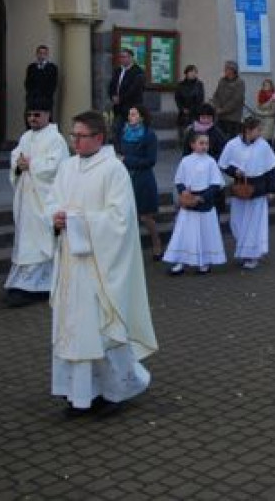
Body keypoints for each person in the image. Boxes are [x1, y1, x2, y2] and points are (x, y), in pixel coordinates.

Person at [50, 111, 157, 413]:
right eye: (73, 135)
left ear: (98, 137)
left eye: (81, 136)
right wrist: (55, 219)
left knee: (100, 329)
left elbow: (120, 220)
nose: (75, 141)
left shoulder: (113, 170)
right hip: (71, 262)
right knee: (74, 329)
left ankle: (117, 391)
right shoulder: (67, 167)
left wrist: (77, 221)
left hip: (99, 266)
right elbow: (52, 201)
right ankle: (80, 393)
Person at [6, 95, 69, 307]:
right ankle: (22, 284)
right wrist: (18, 165)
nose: (32, 118)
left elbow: (56, 166)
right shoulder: (25, 137)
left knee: (40, 240)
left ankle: (37, 287)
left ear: (47, 115)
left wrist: (30, 164)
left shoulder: (56, 139)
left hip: (44, 199)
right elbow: (16, 157)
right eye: (29, 115)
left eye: (37, 115)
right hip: (27, 199)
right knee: (26, 240)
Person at [220, 116, 275, 269]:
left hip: (258, 188)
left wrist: (272, 189)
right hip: (240, 188)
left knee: (254, 224)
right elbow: (224, 164)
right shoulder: (232, 144)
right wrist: (235, 171)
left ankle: (252, 255)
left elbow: (270, 169)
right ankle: (245, 250)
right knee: (237, 222)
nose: (260, 133)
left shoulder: (263, 145)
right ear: (248, 130)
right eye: (258, 130)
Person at [164, 132, 226, 275]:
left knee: (204, 234)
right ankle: (180, 261)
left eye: (206, 143)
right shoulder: (185, 161)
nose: (204, 146)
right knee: (183, 234)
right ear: (193, 145)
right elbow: (179, 180)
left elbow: (216, 184)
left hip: (205, 203)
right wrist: (184, 192)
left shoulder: (211, 162)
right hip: (188, 202)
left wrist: (202, 197)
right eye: (201, 143)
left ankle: (203, 263)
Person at [121, 105, 163, 262]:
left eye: (133, 114)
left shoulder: (149, 135)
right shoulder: (124, 132)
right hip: (126, 178)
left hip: (143, 178)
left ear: (141, 117)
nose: (130, 116)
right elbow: (122, 152)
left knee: (146, 217)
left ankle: (156, 243)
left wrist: (128, 161)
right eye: (129, 114)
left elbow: (151, 161)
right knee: (127, 217)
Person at [108, 48, 145, 138]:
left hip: (131, 106)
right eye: (121, 57)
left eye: (125, 57)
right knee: (117, 130)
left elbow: (134, 89)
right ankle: (119, 150)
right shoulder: (118, 71)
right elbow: (112, 85)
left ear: (131, 58)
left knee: (131, 131)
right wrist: (113, 96)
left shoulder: (138, 72)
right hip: (118, 108)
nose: (122, 59)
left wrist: (120, 98)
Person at [210, 60, 245, 140]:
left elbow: (236, 100)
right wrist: (216, 107)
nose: (225, 71)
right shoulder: (222, 81)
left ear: (233, 70)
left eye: (227, 69)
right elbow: (216, 95)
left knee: (231, 139)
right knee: (220, 138)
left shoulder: (239, 83)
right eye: (225, 69)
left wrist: (223, 110)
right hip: (220, 117)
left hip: (233, 118)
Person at [174, 65, 205, 144]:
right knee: (183, 136)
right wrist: (182, 108)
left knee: (195, 136)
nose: (193, 74)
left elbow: (200, 99)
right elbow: (177, 98)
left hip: (195, 114)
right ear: (186, 73)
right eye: (191, 72)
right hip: (183, 114)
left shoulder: (199, 85)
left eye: (195, 72)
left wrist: (192, 109)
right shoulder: (181, 85)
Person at [254, 78, 275, 147]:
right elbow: (258, 107)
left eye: (268, 85)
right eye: (264, 85)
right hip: (260, 119)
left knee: (267, 138)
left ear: (271, 86)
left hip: (269, 120)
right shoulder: (260, 94)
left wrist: (262, 112)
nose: (266, 87)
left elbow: (273, 111)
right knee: (258, 137)